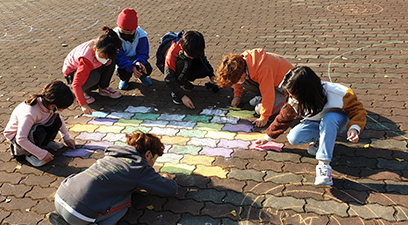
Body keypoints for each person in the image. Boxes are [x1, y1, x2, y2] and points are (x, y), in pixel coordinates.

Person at [255, 66, 367, 186]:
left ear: (306, 92)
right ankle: (323, 140)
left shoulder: (340, 93)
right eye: (290, 95)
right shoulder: (294, 99)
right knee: (293, 137)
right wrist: (267, 137)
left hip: (338, 121)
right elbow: (283, 118)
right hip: (316, 121)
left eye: (294, 95)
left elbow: (358, 110)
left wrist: (354, 127)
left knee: (329, 118)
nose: (292, 98)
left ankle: (324, 166)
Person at [48, 132, 178, 225]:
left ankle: (64, 218)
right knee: (126, 201)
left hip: (61, 196)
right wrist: (166, 178)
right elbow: (170, 189)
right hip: (79, 214)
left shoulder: (112, 155)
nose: (153, 164)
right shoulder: (140, 167)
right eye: (154, 159)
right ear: (148, 154)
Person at [3, 81, 76, 167]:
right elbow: (21, 139)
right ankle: (28, 154)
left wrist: (66, 138)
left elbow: (59, 120)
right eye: (62, 108)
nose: (61, 110)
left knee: (56, 120)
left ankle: (44, 144)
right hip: (17, 139)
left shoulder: (47, 105)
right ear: (53, 106)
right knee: (39, 132)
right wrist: (42, 154)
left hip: (33, 130)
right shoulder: (30, 113)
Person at [216, 49, 294, 127]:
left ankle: (284, 100)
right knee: (243, 81)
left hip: (288, 89)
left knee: (259, 110)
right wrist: (237, 96)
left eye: (238, 80)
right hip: (272, 82)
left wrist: (264, 117)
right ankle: (263, 98)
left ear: (243, 73)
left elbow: (268, 94)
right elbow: (237, 78)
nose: (237, 83)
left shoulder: (264, 69)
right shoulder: (240, 62)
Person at [63, 26, 122, 115]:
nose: (105, 59)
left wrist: (108, 60)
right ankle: (80, 93)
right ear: (95, 49)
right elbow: (76, 84)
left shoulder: (104, 44)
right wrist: (83, 105)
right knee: (95, 77)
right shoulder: (86, 60)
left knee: (111, 62)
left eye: (106, 57)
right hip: (72, 74)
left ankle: (103, 88)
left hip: (92, 64)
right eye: (103, 57)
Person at [156, 30, 217, 109]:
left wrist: (212, 75)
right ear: (182, 47)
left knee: (203, 69)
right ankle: (177, 88)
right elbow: (168, 78)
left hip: (184, 60)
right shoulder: (172, 53)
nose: (193, 57)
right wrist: (182, 96)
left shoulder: (196, 46)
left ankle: (183, 80)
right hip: (165, 64)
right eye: (191, 56)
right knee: (184, 64)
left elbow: (203, 60)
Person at [114, 8, 153, 89]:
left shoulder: (141, 36)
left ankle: (142, 76)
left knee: (146, 68)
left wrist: (139, 62)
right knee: (123, 73)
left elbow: (143, 53)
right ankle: (125, 79)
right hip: (123, 60)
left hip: (136, 58)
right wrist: (131, 67)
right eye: (124, 30)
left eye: (130, 31)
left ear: (135, 29)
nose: (127, 33)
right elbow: (118, 56)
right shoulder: (114, 37)